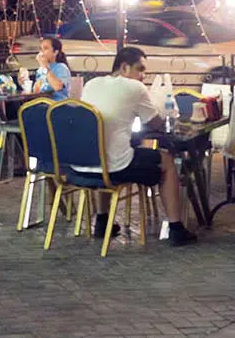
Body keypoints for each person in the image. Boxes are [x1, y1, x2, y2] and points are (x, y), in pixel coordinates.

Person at [77, 45, 197, 246]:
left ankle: (102, 221)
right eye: (140, 69)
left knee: (105, 150)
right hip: (116, 167)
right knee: (166, 160)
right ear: (124, 68)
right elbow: (156, 123)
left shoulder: (91, 84)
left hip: (83, 164)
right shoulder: (134, 87)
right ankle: (176, 229)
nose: (143, 76)